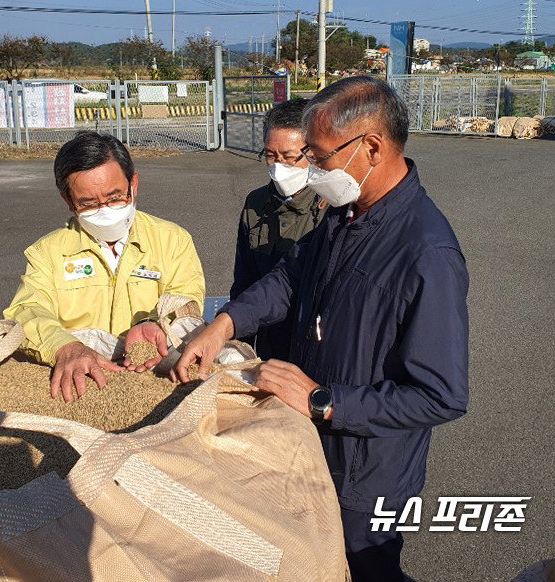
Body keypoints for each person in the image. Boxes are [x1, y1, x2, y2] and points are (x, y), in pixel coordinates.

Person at [176, 77, 469, 582]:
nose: (309, 171)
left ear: (371, 148)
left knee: (364, 569)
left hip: (366, 472)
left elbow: (441, 396)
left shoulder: (426, 253)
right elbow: (290, 278)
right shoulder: (344, 213)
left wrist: (323, 401)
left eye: (318, 157)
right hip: (309, 447)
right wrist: (224, 324)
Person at [5, 132, 205, 403]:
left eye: (115, 197)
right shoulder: (47, 252)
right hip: (81, 379)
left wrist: (154, 324)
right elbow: (26, 310)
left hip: (150, 374)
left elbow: (186, 302)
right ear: (68, 201)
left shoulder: (173, 240)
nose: (105, 210)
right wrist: (65, 347)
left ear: (133, 184)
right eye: (88, 203)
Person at [232, 98, 327, 360]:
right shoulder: (255, 203)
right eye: (271, 156)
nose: (278, 167)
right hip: (267, 343)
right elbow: (244, 280)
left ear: (314, 154)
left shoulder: (334, 206)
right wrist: (238, 344)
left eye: (289, 158)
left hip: (313, 348)